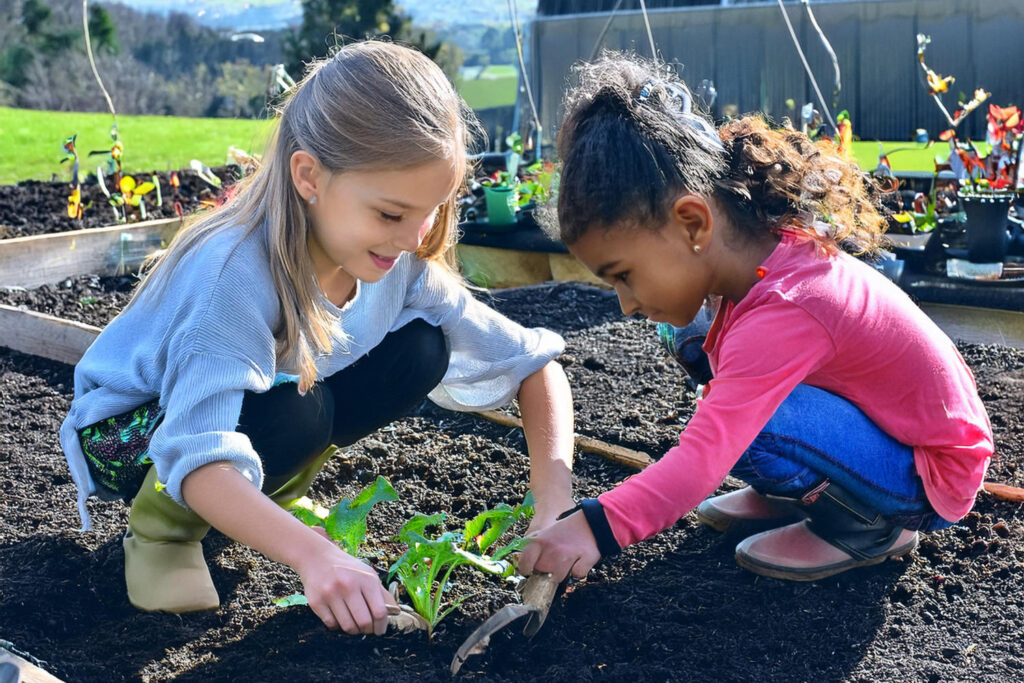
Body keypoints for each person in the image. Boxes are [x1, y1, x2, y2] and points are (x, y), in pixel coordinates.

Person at [59, 41, 576, 637]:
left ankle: (267, 493)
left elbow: (536, 363)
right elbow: (194, 448)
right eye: (390, 214)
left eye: (431, 211)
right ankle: (161, 535)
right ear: (309, 176)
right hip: (133, 438)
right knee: (295, 411)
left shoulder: (395, 263)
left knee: (420, 348)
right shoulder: (235, 277)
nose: (414, 237)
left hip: (252, 416)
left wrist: (551, 505)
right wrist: (316, 558)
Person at [519, 53, 993, 584]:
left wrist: (595, 528)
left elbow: (702, 457)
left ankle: (870, 526)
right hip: (888, 432)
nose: (625, 303)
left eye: (624, 275)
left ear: (693, 222)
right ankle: (795, 492)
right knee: (696, 341)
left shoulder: (787, 303)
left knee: (749, 422)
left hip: (927, 476)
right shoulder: (757, 258)